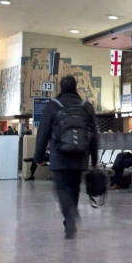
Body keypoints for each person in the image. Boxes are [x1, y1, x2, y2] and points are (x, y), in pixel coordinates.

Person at [35, 76, 99, 239]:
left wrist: (39, 156)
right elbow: (94, 136)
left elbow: (43, 133)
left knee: (61, 188)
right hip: (80, 155)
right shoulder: (86, 107)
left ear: (61, 88)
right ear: (76, 87)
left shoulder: (53, 106)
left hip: (59, 154)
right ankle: (69, 218)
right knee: (74, 187)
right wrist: (94, 159)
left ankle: (70, 216)